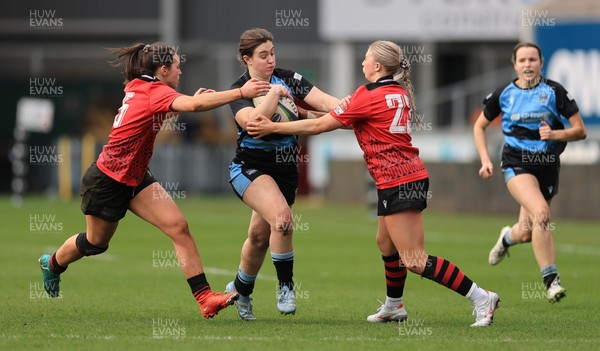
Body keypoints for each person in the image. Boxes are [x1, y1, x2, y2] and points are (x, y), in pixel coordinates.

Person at [246, 40, 500, 327]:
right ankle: (394, 306)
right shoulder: (395, 91)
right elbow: (339, 119)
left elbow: (320, 126)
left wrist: (273, 127)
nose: (362, 63)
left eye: (366, 59)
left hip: (400, 179)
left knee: (415, 259)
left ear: (378, 66)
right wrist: (305, 115)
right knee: (385, 242)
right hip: (398, 177)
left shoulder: (367, 94)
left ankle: (481, 297)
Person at [38, 42, 271, 319]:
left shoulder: (140, 85)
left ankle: (205, 298)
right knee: (95, 243)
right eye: (177, 65)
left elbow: (163, 109)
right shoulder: (153, 91)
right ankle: (52, 263)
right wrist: (242, 92)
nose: (180, 71)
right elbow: (194, 104)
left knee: (178, 227)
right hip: (107, 181)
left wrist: (189, 102)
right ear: (163, 70)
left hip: (135, 178)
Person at [225, 28, 341, 321]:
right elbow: (253, 123)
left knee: (259, 237)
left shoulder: (289, 79)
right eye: (263, 55)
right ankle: (286, 287)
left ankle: (240, 290)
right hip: (250, 168)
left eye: (272, 53)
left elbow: (324, 103)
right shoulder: (240, 90)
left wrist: (350, 111)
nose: (270, 60)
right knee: (284, 220)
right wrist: (273, 93)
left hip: (286, 171)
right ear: (246, 59)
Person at [473, 42, 586, 303]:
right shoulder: (504, 93)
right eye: (522, 60)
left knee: (526, 231)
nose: (527, 65)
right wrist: (485, 159)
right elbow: (479, 126)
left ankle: (506, 238)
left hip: (547, 166)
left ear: (541, 63)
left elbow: (580, 131)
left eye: (532, 60)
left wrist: (556, 133)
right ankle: (551, 281)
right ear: (514, 64)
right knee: (542, 214)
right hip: (516, 163)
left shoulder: (555, 91)